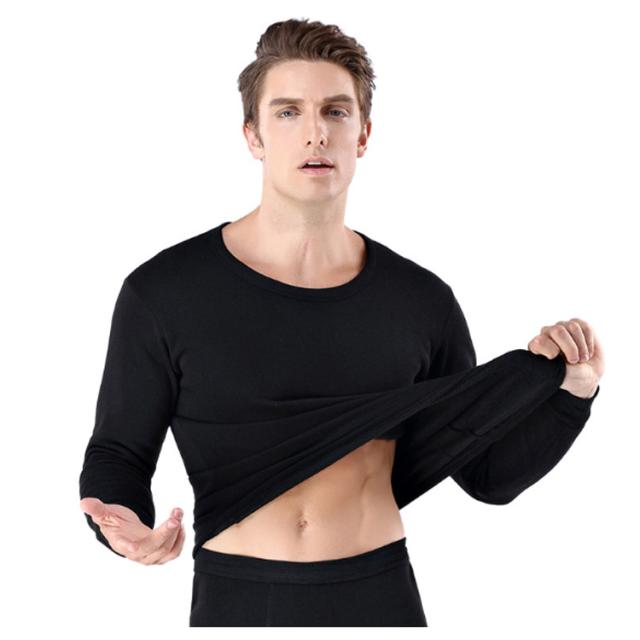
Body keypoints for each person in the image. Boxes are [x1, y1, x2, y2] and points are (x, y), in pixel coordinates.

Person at [79, 18, 603, 627]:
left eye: (335, 111)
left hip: (379, 595)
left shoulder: (420, 300)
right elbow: (117, 451)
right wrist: (123, 525)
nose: (315, 133)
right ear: (252, 136)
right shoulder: (164, 292)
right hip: (239, 598)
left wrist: (573, 393)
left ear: (363, 133)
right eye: (288, 112)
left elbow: (487, 475)